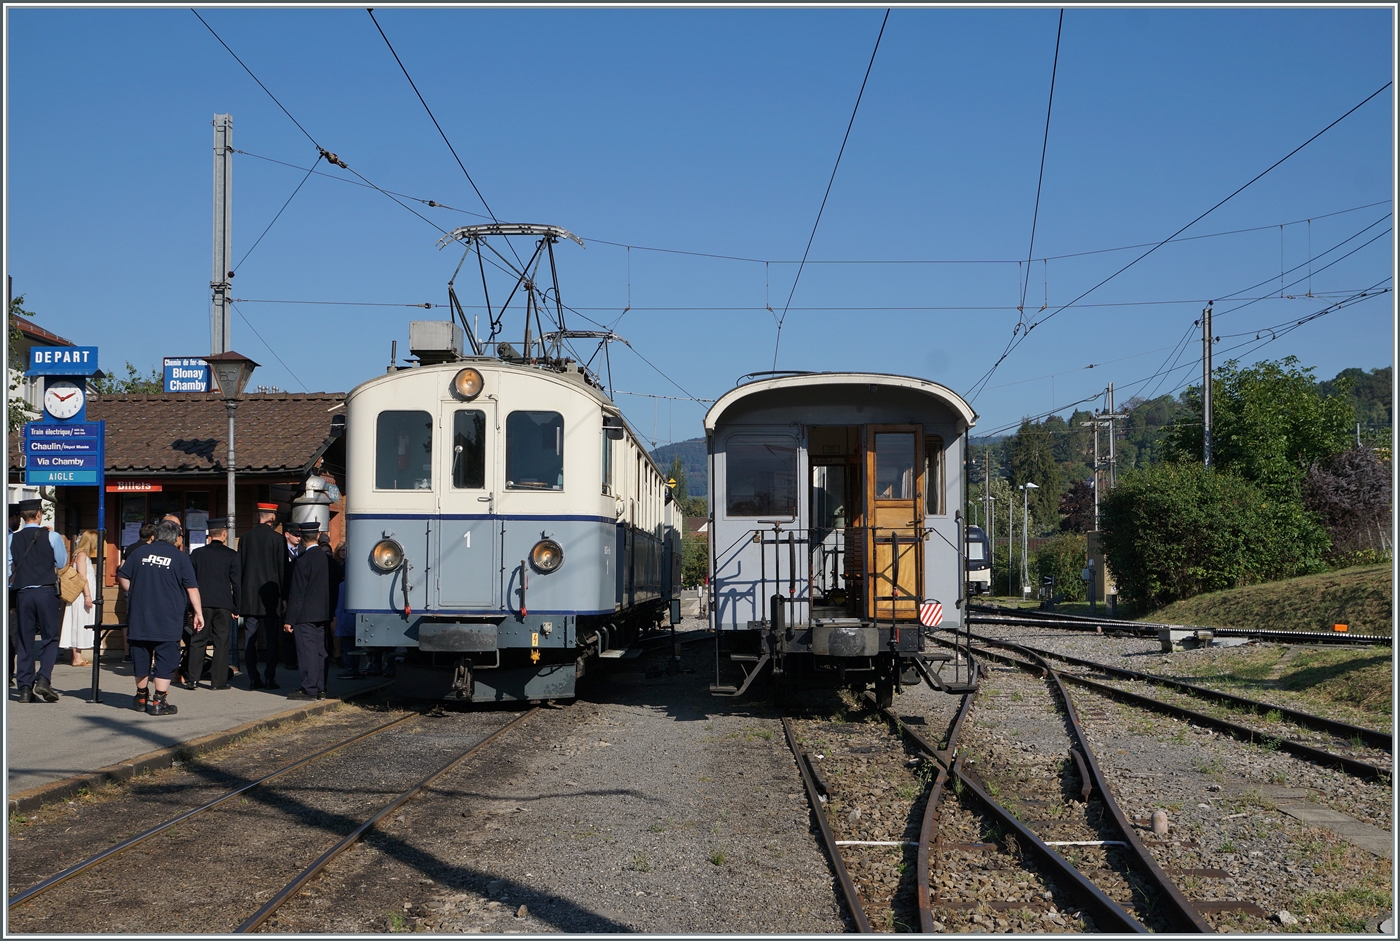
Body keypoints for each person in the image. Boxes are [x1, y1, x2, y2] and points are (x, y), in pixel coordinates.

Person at [118, 519, 203, 715]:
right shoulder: (180, 557)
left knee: (140, 655)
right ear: (176, 538)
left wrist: (134, 591)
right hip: (168, 615)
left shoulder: (139, 552)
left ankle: (141, 697)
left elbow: (122, 575)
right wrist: (198, 613)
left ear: (155, 534)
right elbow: (192, 587)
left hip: (140, 614)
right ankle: (159, 701)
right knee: (166, 655)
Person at [8, 499, 68, 703]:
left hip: (23, 592)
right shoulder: (51, 536)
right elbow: (61, 563)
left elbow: (9, 566)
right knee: (50, 637)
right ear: (39, 513)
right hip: (45, 591)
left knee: (25, 640)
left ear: (23, 517)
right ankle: (43, 678)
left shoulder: (12, 539)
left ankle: (25, 688)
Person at [186, 518, 240, 691]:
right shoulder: (232, 555)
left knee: (198, 640)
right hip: (223, 603)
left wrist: (191, 607)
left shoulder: (197, 554)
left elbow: (190, 581)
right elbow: (237, 583)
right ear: (224, 534)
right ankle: (218, 682)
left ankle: (192, 679)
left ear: (209, 534)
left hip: (201, 603)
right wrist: (236, 606)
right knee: (221, 642)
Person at [283, 520, 330, 701]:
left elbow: (297, 593)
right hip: (322, 611)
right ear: (318, 535)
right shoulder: (325, 559)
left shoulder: (302, 561)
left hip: (305, 613)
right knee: (320, 650)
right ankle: (321, 687)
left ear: (301, 537)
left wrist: (290, 619)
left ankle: (309, 687)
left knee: (306, 650)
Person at [240, 503, 285, 690]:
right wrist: (284, 597)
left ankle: (253, 677)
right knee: (272, 638)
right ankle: (270, 677)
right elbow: (283, 570)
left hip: (250, 596)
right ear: (272, 517)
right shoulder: (277, 539)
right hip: (271, 596)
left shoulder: (245, 538)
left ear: (258, 515)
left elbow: (241, 568)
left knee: (250, 638)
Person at [60, 530, 99, 666]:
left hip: (82, 595)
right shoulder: (82, 555)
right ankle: (77, 658)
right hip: (81, 596)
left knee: (79, 623)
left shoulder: (79, 554)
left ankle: (78, 656)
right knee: (80, 623)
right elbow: (82, 578)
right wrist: (88, 596)